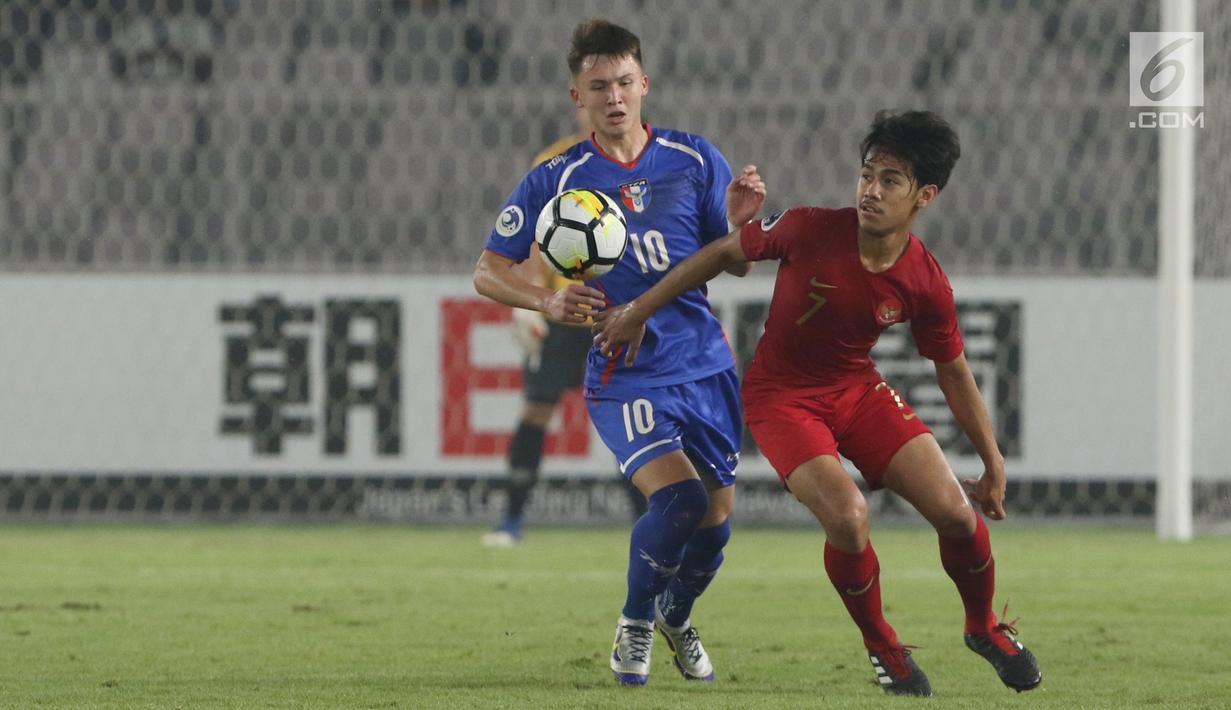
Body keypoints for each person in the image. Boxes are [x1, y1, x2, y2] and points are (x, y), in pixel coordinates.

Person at [594, 110, 1041, 696]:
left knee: (958, 514)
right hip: (781, 401)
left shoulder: (924, 279)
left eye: (891, 181)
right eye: (867, 174)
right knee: (850, 517)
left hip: (857, 389)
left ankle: (982, 627)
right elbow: (721, 253)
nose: (871, 191)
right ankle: (883, 646)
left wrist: (993, 461)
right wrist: (637, 310)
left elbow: (953, 370)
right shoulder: (808, 228)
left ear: (924, 196)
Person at [473, 19, 765, 686]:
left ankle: (676, 617)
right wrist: (544, 301)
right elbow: (486, 270)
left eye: (625, 82)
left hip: (704, 365)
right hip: (623, 371)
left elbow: (736, 265)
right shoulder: (557, 175)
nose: (614, 96)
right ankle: (634, 623)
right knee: (679, 504)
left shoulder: (693, 160)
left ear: (644, 85)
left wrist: (740, 224)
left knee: (716, 528)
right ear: (577, 96)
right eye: (598, 85)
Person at [482, 107, 648, 547]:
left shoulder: (642, 165)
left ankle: (649, 528)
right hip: (567, 311)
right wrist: (530, 305)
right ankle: (511, 520)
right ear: (578, 107)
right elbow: (535, 242)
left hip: (619, 314)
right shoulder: (553, 164)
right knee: (537, 408)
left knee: (630, 422)